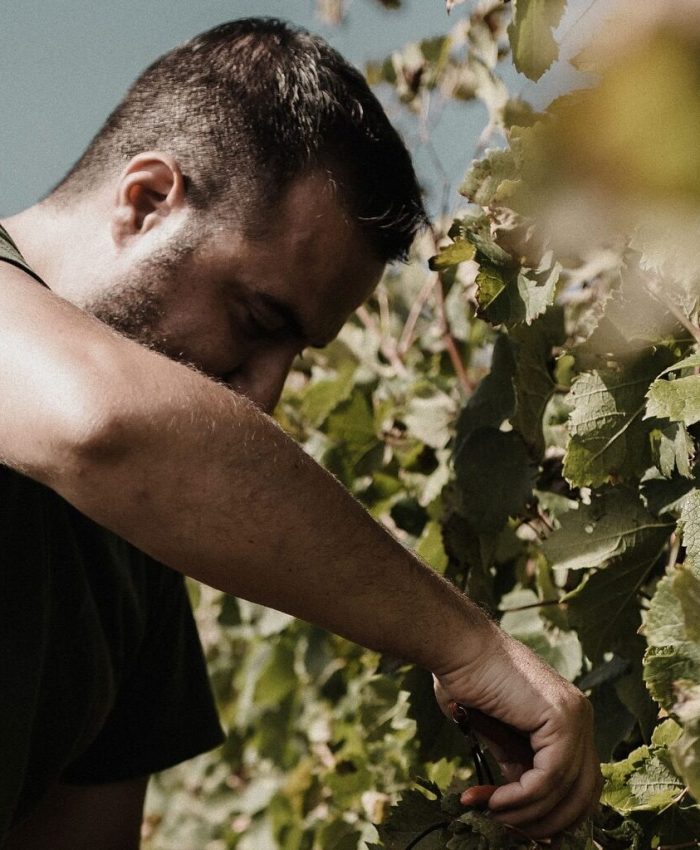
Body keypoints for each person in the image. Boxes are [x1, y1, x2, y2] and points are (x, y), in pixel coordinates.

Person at [0, 17, 601, 849]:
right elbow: (101, 421)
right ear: (145, 201)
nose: (266, 394)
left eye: (296, 352)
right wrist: (468, 646)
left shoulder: (140, 544)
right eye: (255, 319)